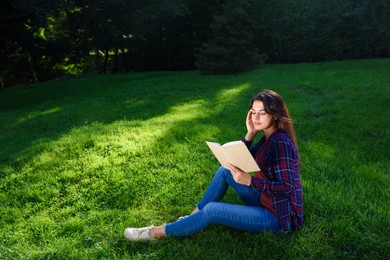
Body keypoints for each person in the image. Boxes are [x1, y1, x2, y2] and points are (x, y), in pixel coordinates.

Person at [124, 89, 304, 241]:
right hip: (266, 201)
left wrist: (250, 181)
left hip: (279, 218)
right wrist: (250, 134)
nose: (256, 117)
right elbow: (245, 157)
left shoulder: (280, 143)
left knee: (212, 211)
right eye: (253, 111)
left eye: (262, 113)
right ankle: (193, 217)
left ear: (275, 114)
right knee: (226, 170)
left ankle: (156, 232)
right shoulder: (268, 137)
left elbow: (286, 187)